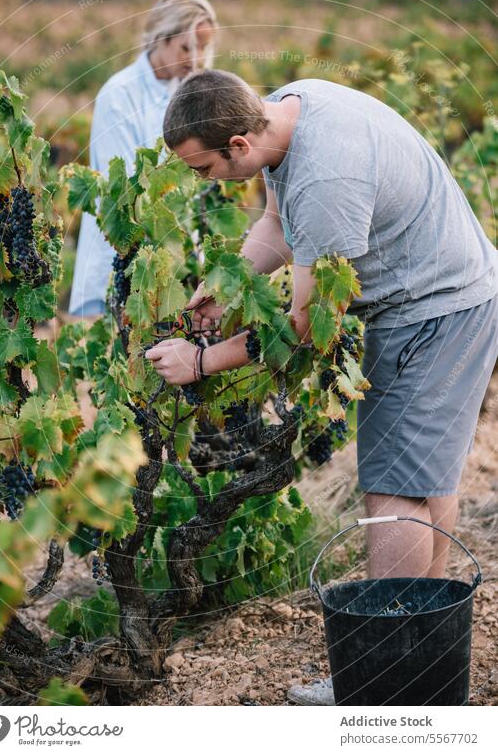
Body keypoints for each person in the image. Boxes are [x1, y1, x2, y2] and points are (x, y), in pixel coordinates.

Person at [145, 68, 498, 705]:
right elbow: (278, 224)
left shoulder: (326, 183)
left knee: (392, 492)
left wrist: (201, 363)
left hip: (435, 311)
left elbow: (306, 329)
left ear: (240, 148)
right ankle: (422, 662)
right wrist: (231, 281)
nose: (204, 181)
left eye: (203, 169)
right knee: (425, 480)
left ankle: (381, 684)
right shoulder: (290, 109)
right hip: (452, 291)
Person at [68, 0, 217, 317]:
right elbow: (122, 193)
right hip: (120, 258)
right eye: (186, 47)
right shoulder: (119, 95)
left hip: (170, 259)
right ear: (162, 38)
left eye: (203, 47)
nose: (195, 59)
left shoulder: (185, 93)